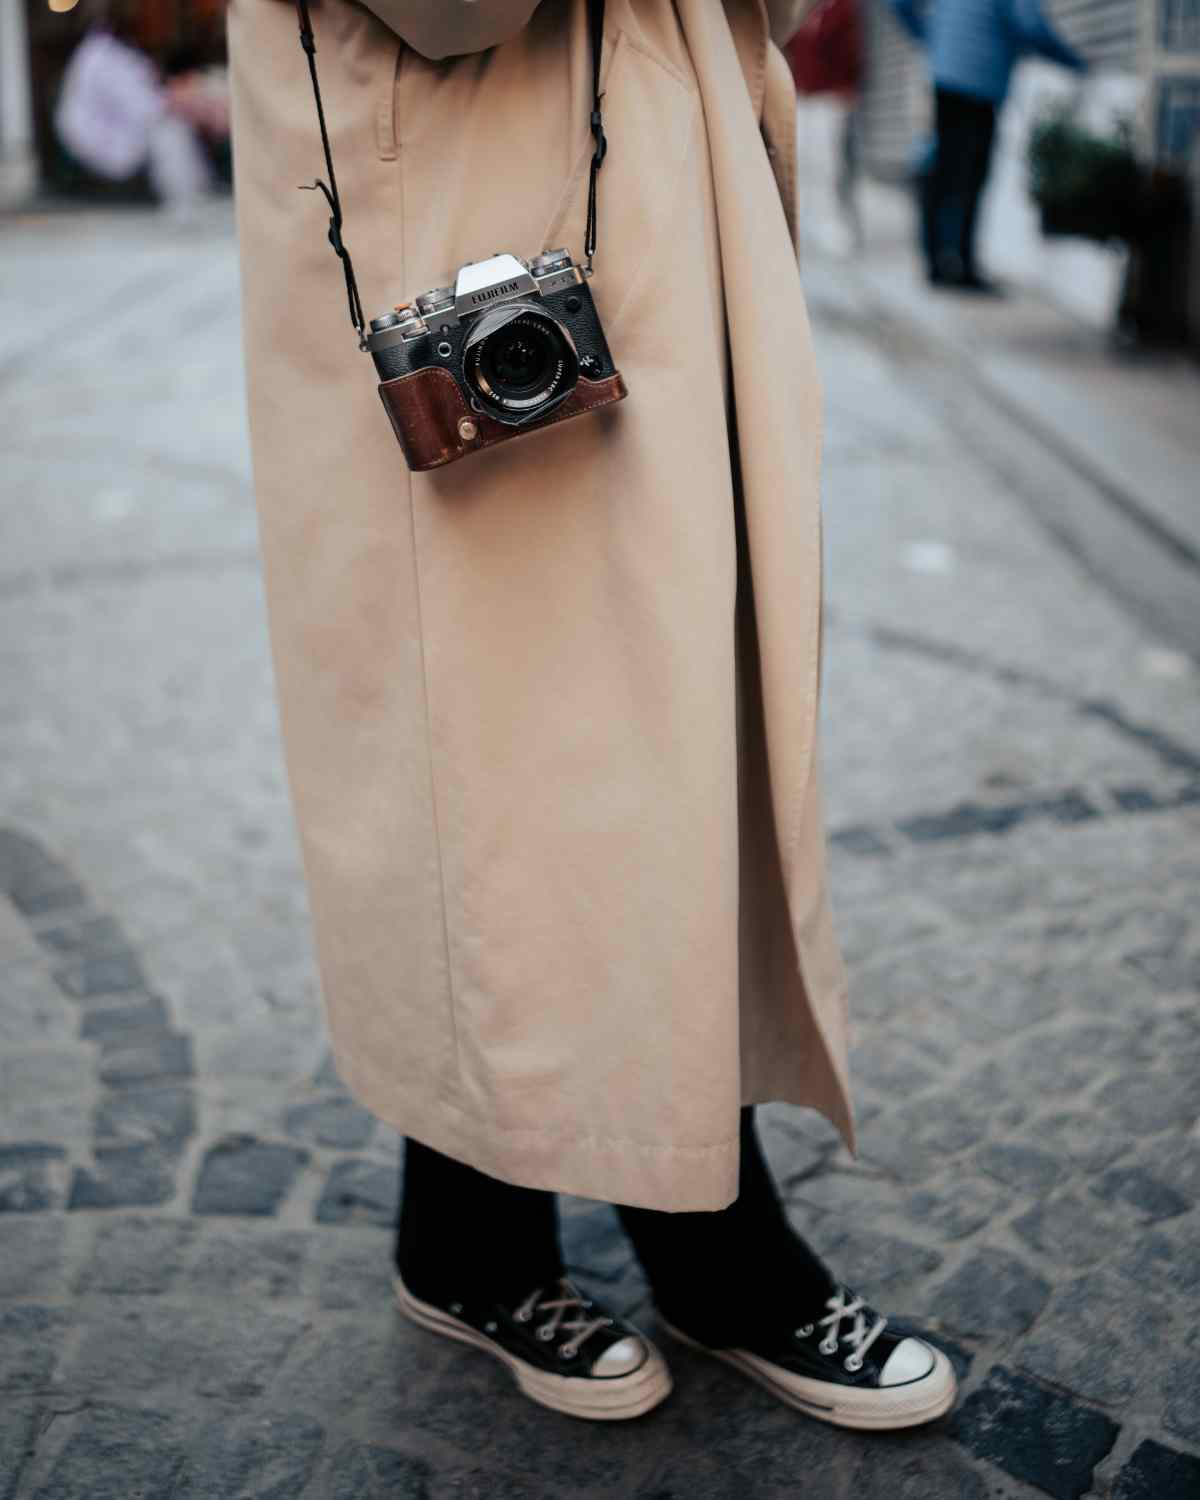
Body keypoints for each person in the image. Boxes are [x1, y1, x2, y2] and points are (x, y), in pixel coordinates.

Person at [227, 0, 957, 1428]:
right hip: (462, 201)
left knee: (646, 734)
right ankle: (683, 1231)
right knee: (525, 746)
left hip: (652, 197)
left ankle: (483, 1224)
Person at [889, 0, 1088, 291]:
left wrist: (929, 37)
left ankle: (935, 264)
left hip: (944, 72)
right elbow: (1029, 24)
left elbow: (899, 3)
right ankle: (961, 265)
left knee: (943, 168)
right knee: (970, 174)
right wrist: (1073, 61)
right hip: (980, 80)